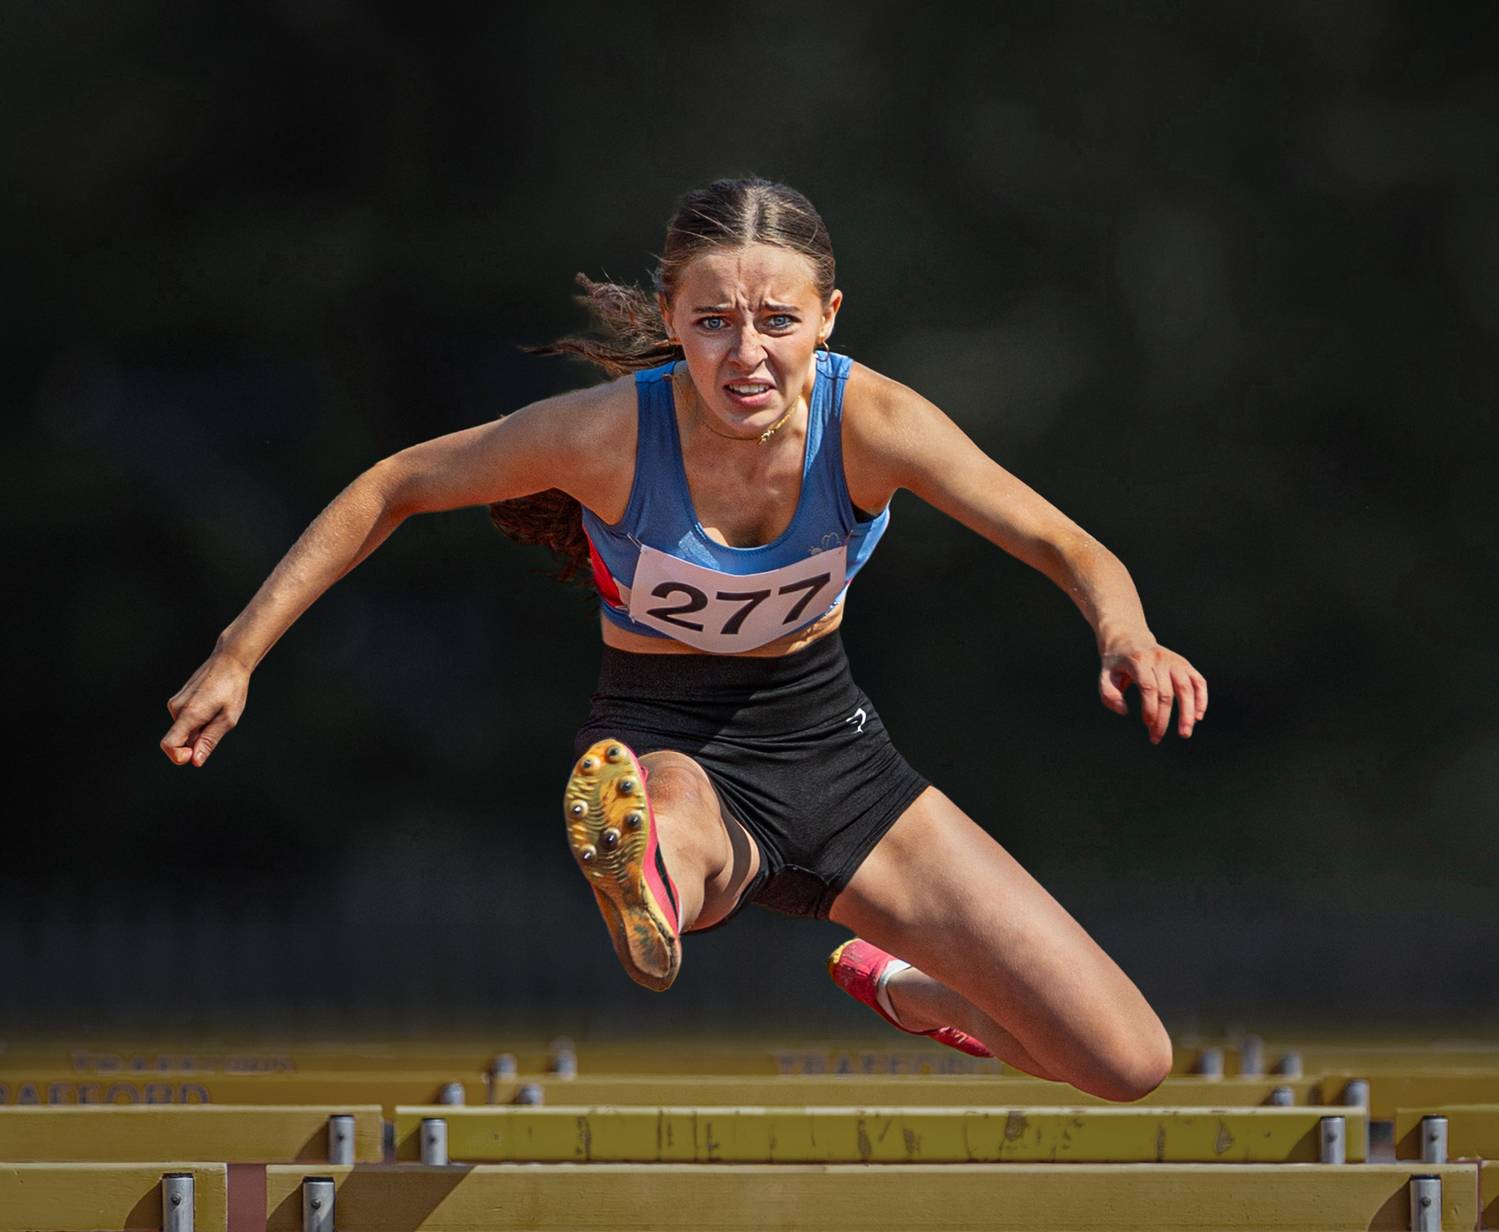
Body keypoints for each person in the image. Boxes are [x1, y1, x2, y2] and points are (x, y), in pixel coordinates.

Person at [162, 177, 1206, 1100]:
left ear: (827, 319)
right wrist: (237, 651)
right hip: (667, 738)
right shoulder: (609, 432)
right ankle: (648, 873)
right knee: (672, 833)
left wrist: (1127, 633)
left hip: (838, 751)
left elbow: (1063, 540)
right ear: (671, 316)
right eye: (711, 322)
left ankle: (904, 983)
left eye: (775, 321)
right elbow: (392, 484)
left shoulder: (872, 422)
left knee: (1125, 1061)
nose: (745, 355)